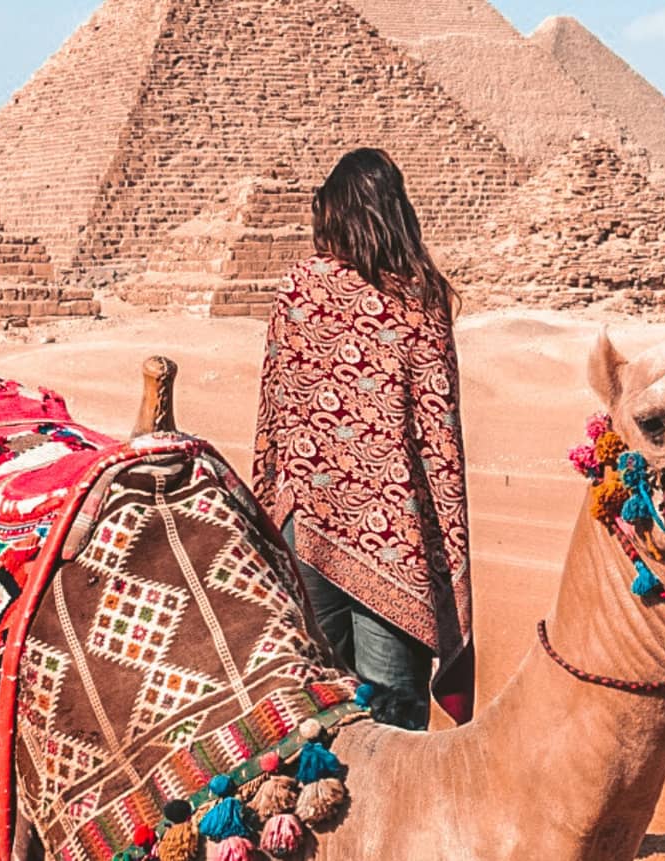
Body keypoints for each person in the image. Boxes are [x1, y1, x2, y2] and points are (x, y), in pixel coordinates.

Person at [253, 148, 474, 728]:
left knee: (313, 709)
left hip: (307, 525)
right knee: (394, 723)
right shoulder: (423, 301)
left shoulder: (300, 289)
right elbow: (439, 442)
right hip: (394, 543)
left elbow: (274, 416)